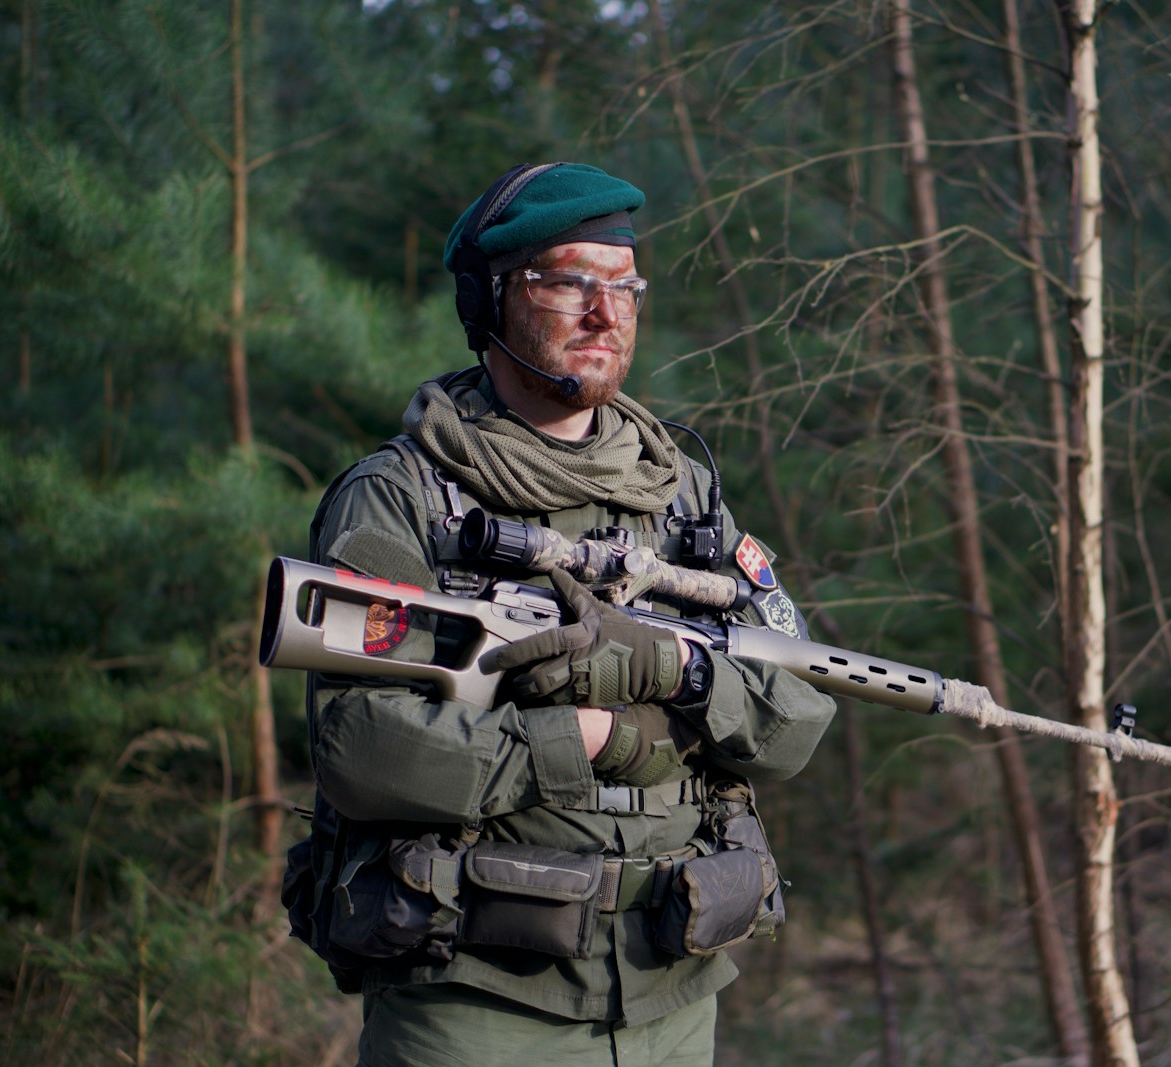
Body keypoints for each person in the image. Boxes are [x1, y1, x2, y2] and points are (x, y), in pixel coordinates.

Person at [292, 162, 837, 1066]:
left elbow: (796, 717)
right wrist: (581, 736)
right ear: (493, 300)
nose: (605, 310)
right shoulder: (403, 499)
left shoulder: (683, 495)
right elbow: (360, 745)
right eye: (569, 281)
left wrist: (679, 671)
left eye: (624, 284)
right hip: (477, 1001)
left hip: (671, 992)